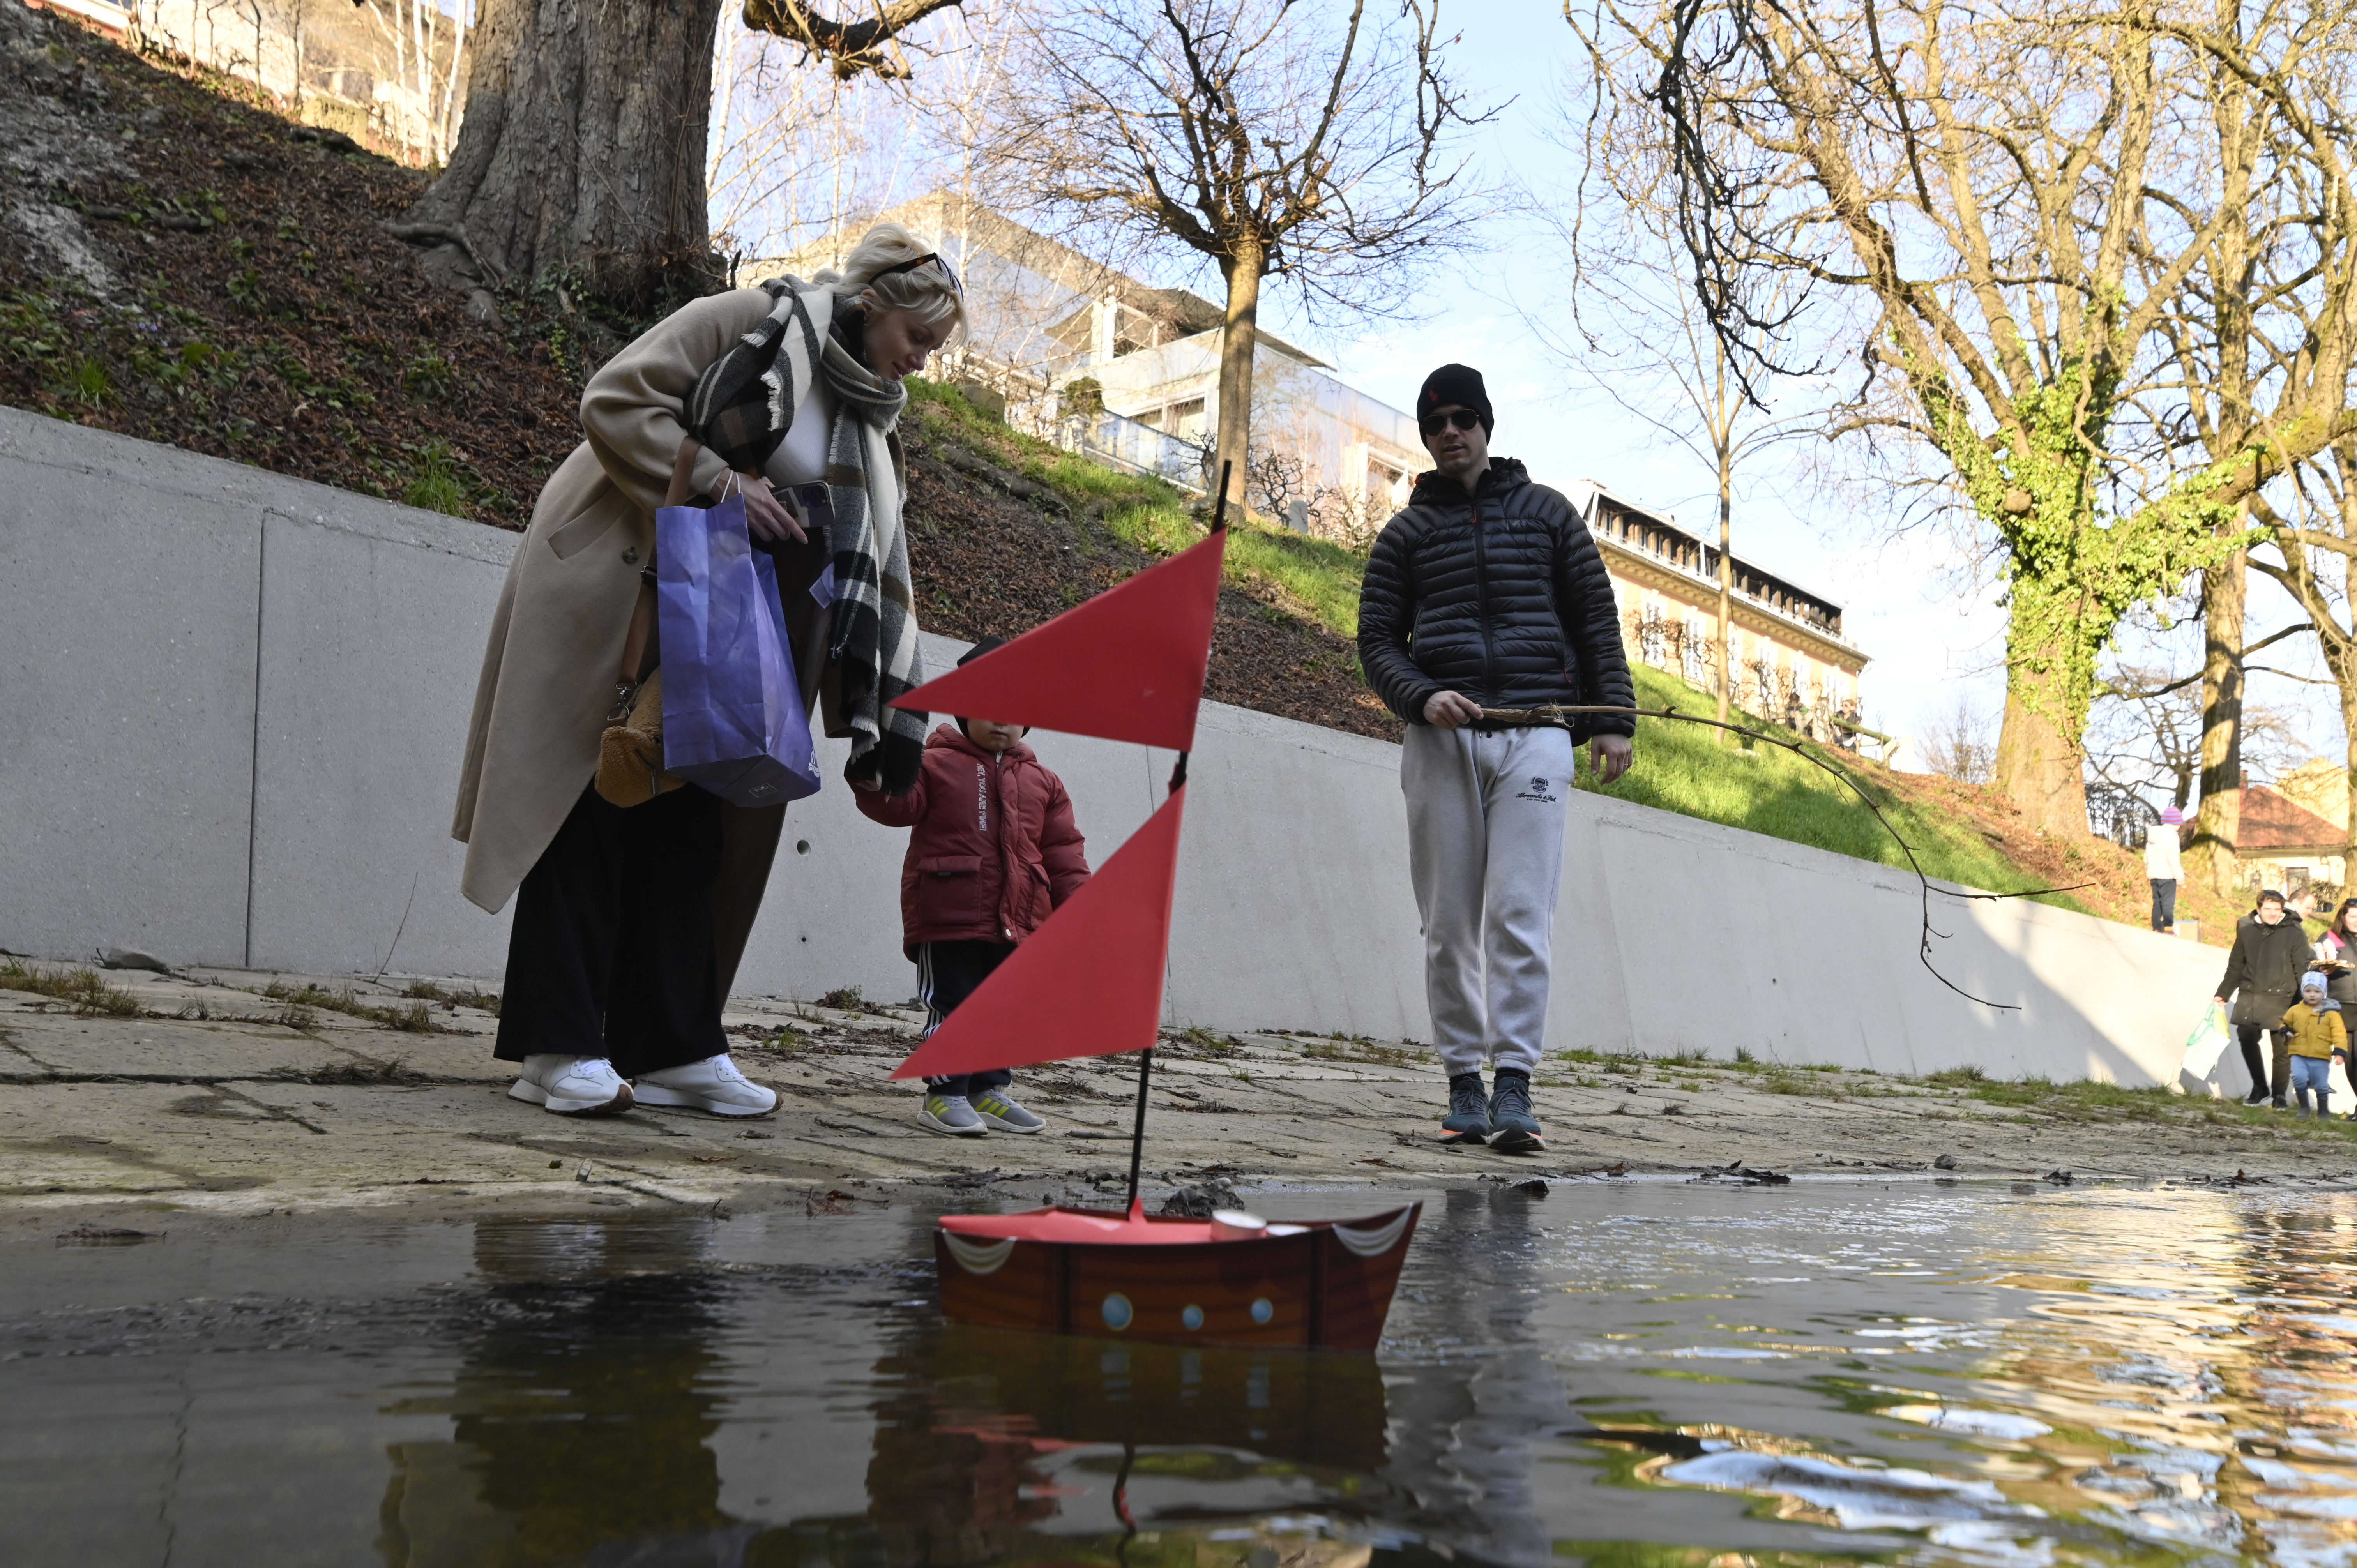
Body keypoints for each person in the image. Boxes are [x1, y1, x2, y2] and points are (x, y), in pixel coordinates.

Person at [452, 223, 964, 1116]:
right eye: (917, 340)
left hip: (733, 621)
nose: (921, 361)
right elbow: (615, 398)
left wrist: (874, 697)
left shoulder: (866, 418)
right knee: (589, 806)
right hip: (627, 587)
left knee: (692, 830)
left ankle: (675, 1046)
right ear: (876, 302)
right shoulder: (753, 319)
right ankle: (556, 1043)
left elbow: (864, 556)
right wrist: (724, 481)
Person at [1356, 363, 1635, 1154]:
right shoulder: (1406, 535)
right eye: (1435, 423)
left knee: (1519, 912)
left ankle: (1514, 1082)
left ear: (1486, 424)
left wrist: (1613, 719)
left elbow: (1594, 616)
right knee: (1448, 921)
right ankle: (1463, 1087)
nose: (1450, 433)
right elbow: (1377, 641)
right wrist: (1419, 697)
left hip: (1539, 731)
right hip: (1442, 736)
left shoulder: (1547, 515)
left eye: (1462, 419)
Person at [853, 637, 1092, 1137]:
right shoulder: (935, 763)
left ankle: (988, 1090)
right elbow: (898, 805)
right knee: (955, 1001)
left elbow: (1064, 852)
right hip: (950, 914)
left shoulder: (1044, 782)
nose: (1001, 722)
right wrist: (872, 774)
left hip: (1020, 920)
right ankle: (944, 1095)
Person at [2216, 888, 2314, 1109]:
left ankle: (2279, 1096)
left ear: (2282, 910)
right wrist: (2222, 994)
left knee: (2282, 1049)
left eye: (2277, 910)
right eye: (2267, 909)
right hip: (2250, 996)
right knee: (2246, 1037)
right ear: (2259, 909)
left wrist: (2306, 1001)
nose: (2272, 914)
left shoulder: (2295, 932)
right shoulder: (2246, 929)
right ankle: (2260, 1087)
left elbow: (2302, 969)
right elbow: (2235, 965)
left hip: (2284, 998)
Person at [2283, 971, 2346, 1118]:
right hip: (2298, 1053)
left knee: (2321, 1085)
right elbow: (2285, 1022)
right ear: (2303, 992)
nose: (2312, 995)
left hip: (2321, 1055)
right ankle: (2304, 1108)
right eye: (2308, 991)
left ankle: (2323, 1112)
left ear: (2324, 993)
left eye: (2317, 991)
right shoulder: (2295, 1010)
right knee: (2298, 1078)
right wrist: (2285, 1030)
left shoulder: (2331, 1014)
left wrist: (2340, 1051)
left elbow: (2339, 1033)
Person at [2146, 807, 2183, 932]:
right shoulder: (2172, 837)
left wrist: (2149, 868)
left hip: (2154, 875)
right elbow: (2173, 858)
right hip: (2168, 876)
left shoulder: (2153, 836)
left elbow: (2147, 856)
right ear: (2176, 823)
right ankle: (2168, 928)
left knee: (2157, 902)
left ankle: (2156, 928)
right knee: (2168, 903)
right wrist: (2179, 876)